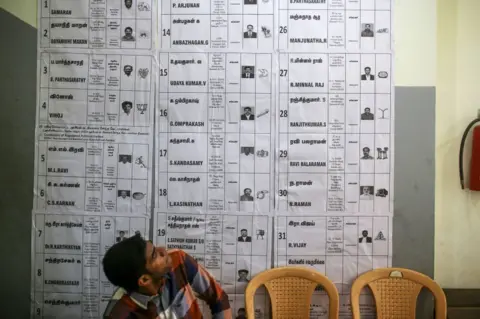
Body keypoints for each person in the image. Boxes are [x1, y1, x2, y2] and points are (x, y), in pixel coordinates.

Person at [102, 234, 232, 318]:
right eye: (155, 255)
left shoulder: (177, 261)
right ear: (144, 280)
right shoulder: (118, 314)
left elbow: (219, 298)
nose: (163, 250)